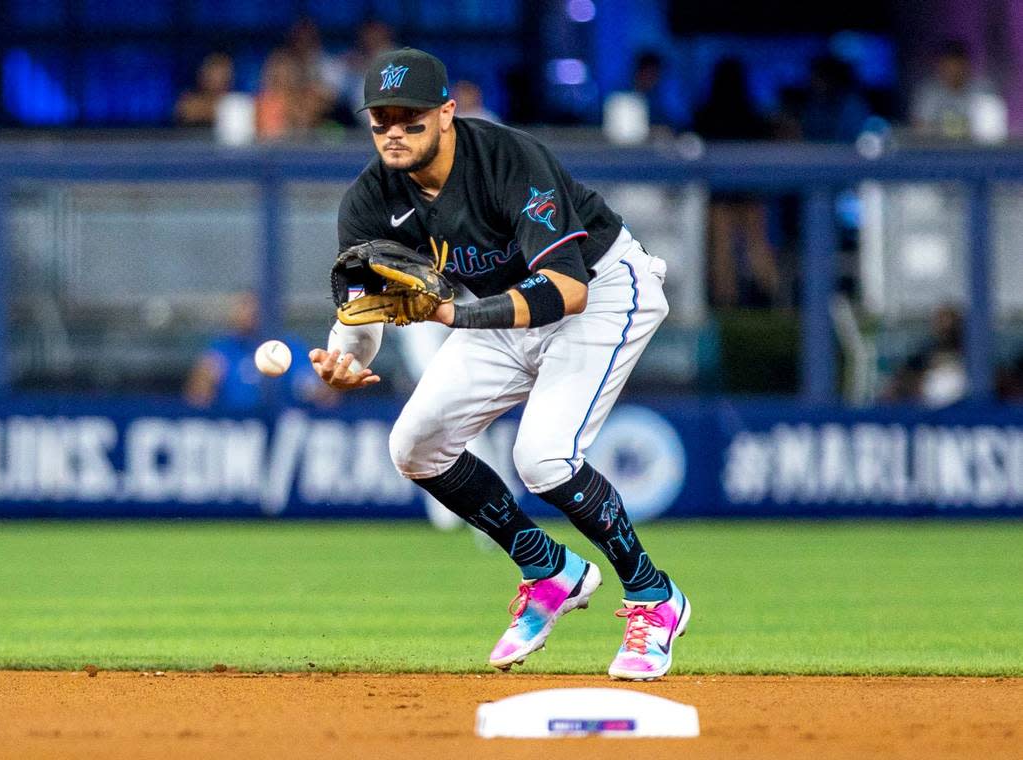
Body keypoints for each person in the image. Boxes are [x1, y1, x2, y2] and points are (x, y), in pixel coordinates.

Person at [309, 48, 689, 680]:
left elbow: (568, 290)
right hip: (501, 307)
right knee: (415, 446)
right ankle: (549, 569)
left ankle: (655, 596)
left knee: (542, 457)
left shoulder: (509, 160)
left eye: (411, 117)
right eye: (381, 119)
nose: (394, 132)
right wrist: (345, 361)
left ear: (447, 113)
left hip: (602, 289)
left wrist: (454, 316)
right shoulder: (370, 201)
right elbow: (364, 308)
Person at [693, 57, 782, 307]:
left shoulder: (706, 114)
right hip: (747, 192)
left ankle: (727, 304)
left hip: (721, 193)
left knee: (722, 251)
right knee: (756, 245)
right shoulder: (752, 113)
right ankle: (772, 301)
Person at [184, 292, 330, 411]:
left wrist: (317, 387)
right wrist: (205, 381)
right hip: (233, 429)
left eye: (253, 307)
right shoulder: (224, 348)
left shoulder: (289, 347)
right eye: (243, 306)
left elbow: (323, 396)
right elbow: (197, 397)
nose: (248, 313)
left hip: (283, 428)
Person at [911, 40, 1004, 141]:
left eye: (957, 64)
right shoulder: (929, 92)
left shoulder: (983, 90)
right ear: (939, 66)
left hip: (976, 151)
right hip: (938, 151)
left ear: (966, 65)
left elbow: (993, 131)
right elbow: (920, 130)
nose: (952, 70)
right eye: (947, 65)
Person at [174, 52, 234, 127]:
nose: (218, 82)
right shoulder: (189, 102)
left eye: (223, 76)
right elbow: (187, 111)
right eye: (214, 76)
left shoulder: (235, 103)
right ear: (203, 77)